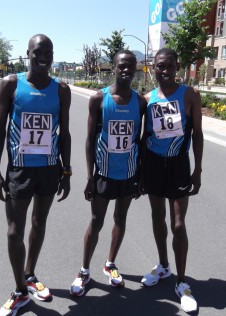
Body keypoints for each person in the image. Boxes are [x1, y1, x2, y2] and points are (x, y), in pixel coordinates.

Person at [0, 34, 71, 316]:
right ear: (28, 53)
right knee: (15, 231)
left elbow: (65, 134)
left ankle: (30, 275)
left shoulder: (61, 89)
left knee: (39, 222)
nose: (44, 56)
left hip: (49, 170)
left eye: (48, 51)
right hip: (19, 171)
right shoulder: (12, 84)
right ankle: (19, 291)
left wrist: (67, 170)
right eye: (38, 51)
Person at [70, 50, 147, 297]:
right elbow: (90, 140)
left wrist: (140, 176)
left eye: (131, 66)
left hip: (128, 174)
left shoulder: (140, 102)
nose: (126, 70)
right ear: (114, 67)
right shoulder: (99, 99)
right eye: (122, 66)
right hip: (103, 174)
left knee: (120, 219)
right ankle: (84, 271)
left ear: (136, 69)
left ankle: (110, 264)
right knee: (96, 222)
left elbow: (141, 139)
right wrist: (90, 177)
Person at [141, 48, 203, 314]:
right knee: (157, 218)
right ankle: (164, 266)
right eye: (159, 66)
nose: (163, 71)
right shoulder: (147, 99)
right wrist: (141, 172)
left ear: (177, 66)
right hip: (154, 165)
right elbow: (144, 137)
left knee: (178, 224)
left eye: (168, 66)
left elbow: (198, 134)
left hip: (178, 164)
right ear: (153, 68)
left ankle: (181, 281)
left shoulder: (189, 95)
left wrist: (198, 170)